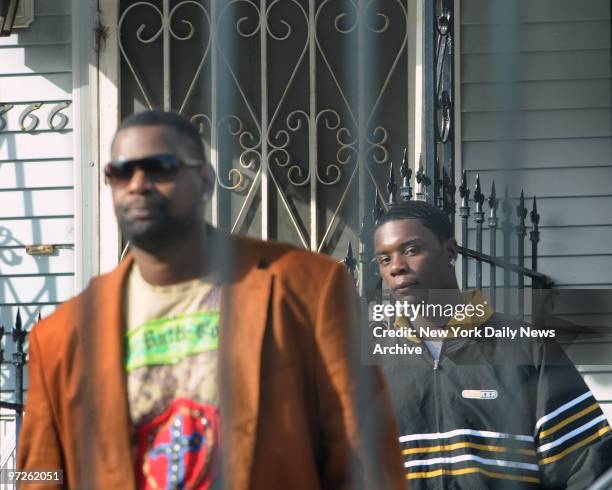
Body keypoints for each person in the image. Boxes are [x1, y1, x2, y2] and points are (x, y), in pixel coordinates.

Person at [17, 110, 405, 489]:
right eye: (120, 172)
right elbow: (40, 475)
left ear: (205, 180)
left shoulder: (308, 290)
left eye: (161, 167)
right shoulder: (60, 336)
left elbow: (364, 459)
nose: (137, 184)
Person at [372, 200, 612, 489]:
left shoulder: (527, 347)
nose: (396, 267)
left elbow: (585, 466)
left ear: (450, 251)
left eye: (411, 250)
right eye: (384, 259)